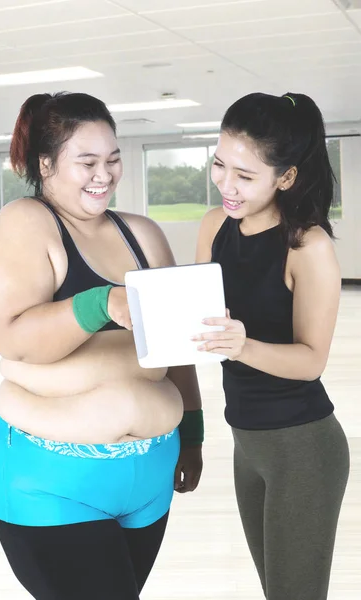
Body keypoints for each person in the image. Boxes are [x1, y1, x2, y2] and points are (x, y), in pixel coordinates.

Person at [0, 91, 203, 600]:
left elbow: (176, 351)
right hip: (54, 484)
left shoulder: (142, 234)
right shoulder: (26, 222)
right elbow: (14, 337)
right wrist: (100, 304)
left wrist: (193, 433)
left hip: (148, 478)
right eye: (88, 162)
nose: (105, 174)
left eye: (114, 159)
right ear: (46, 164)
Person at [193, 92, 350, 600]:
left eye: (245, 175)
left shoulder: (308, 247)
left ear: (286, 177)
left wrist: (243, 346)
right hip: (247, 443)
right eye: (220, 165)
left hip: (302, 447)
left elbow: (311, 361)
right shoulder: (214, 226)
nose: (226, 185)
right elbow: (198, 315)